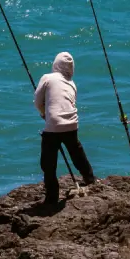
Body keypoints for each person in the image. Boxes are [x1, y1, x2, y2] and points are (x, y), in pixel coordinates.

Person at [33, 51, 97, 207]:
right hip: (72, 123)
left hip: (53, 124)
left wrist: (43, 113)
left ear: (56, 64)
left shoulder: (47, 78)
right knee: (76, 152)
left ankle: (52, 196)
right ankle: (89, 178)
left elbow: (37, 101)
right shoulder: (72, 83)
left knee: (48, 163)